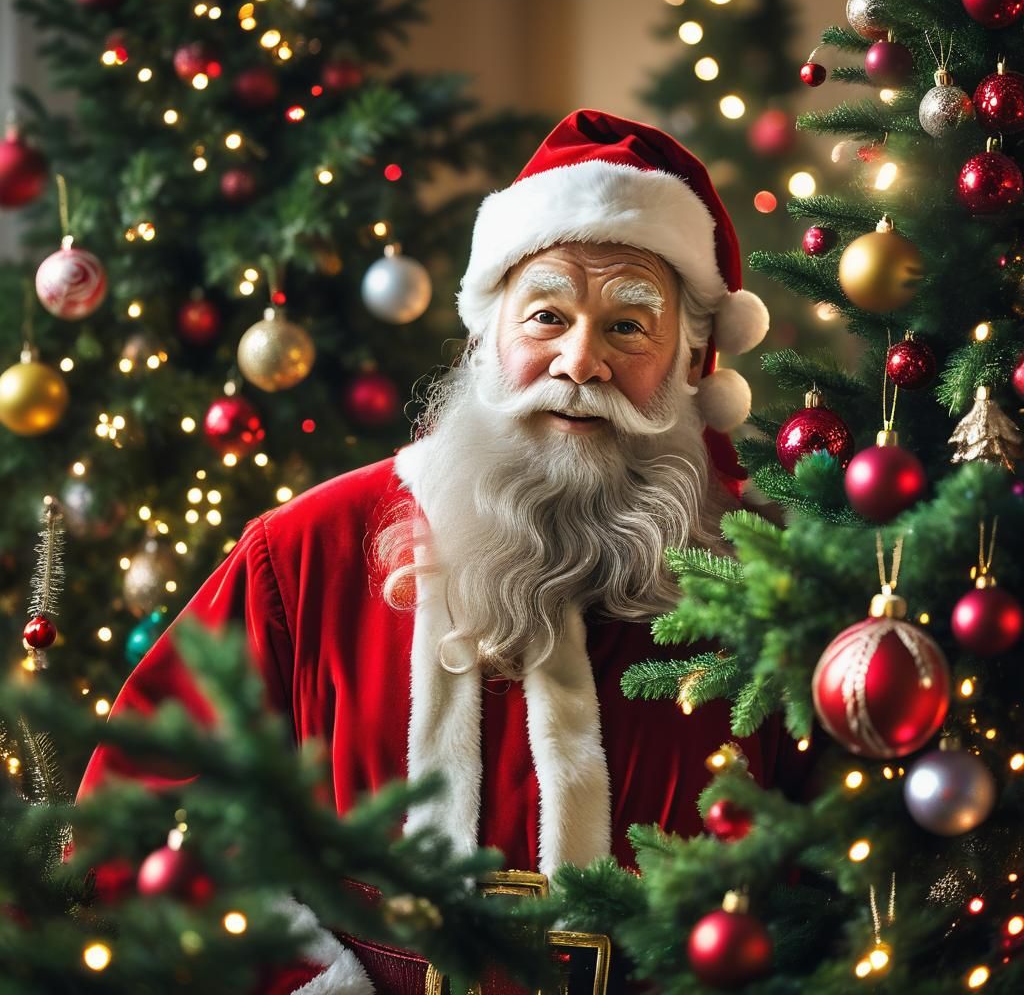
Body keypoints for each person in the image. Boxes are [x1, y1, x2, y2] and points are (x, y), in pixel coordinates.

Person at [78, 110, 791, 994]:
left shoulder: (763, 578)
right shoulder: (306, 555)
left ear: (690, 363)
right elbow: (142, 813)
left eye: (629, 326)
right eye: (546, 315)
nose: (581, 362)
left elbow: (848, 866)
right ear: (486, 339)